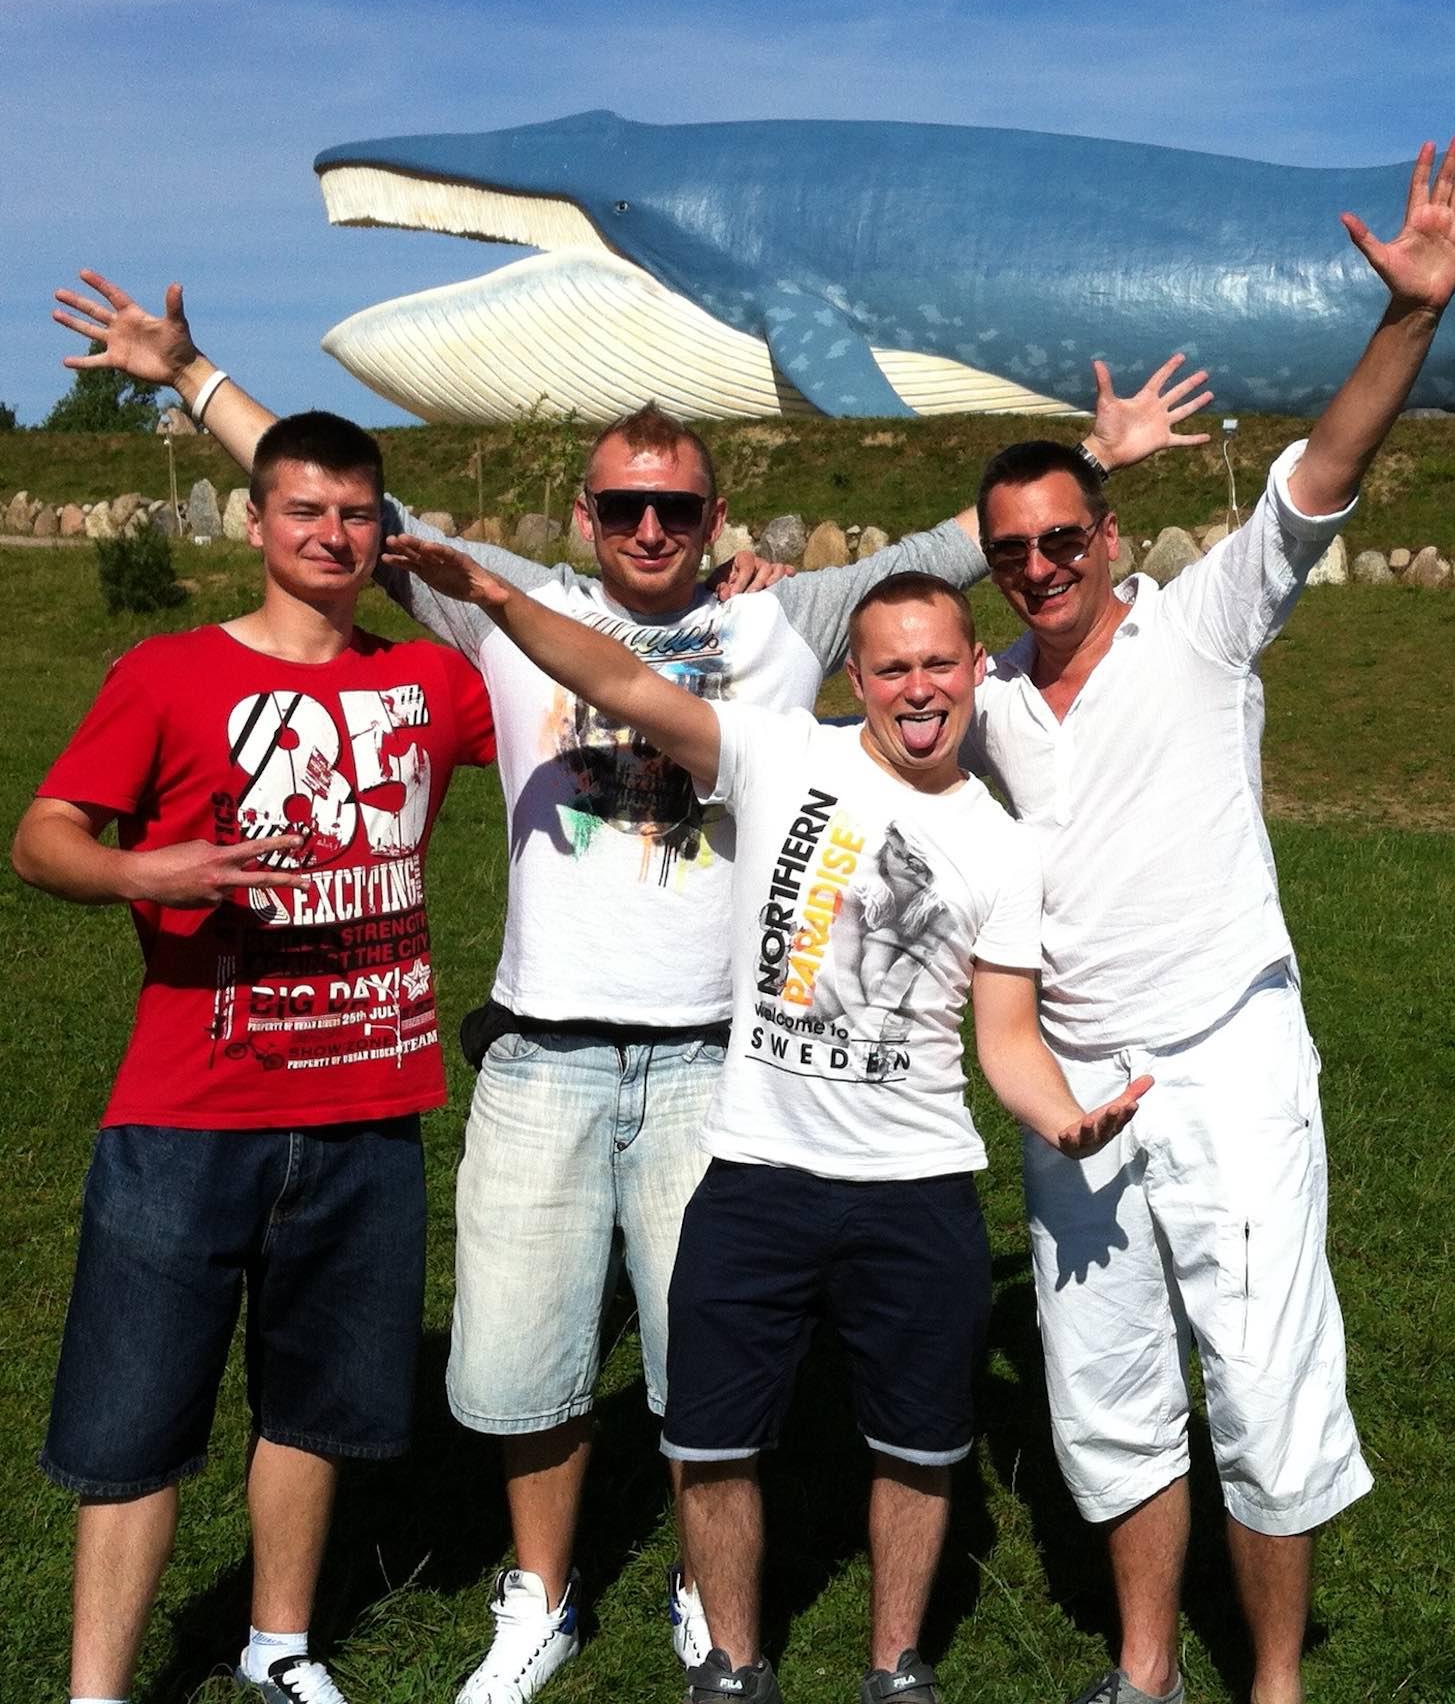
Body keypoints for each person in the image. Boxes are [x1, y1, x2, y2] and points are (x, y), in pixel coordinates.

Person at [51, 276, 1209, 1700]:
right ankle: (539, 1597)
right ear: (585, 513)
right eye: (622, 506)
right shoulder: (507, 601)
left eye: (675, 508)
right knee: (520, 1363)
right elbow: (338, 506)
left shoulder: (794, 617)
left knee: (701, 1370)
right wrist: (189, 373)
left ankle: (698, 1593)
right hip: (542, 1048)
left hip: (717, 1059)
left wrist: (1093, 461)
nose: (649, 529)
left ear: (716, 518)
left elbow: (951, 549)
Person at [373, 542, 1153, 1704]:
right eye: (892, 667)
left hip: (918, 1179)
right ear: (858, 676)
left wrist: (1064, 1116)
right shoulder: (783, 751)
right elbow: (621, 682)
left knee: (919, 1442)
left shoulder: (1003, 845)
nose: (919, 687)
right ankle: (732, 1664)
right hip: (755, 1166)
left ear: (973, 672)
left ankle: (896, 1665)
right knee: (711, 1434)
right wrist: (497, 598)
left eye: (940, 663)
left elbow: (1005, 1035)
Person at [965, 138, 1455, 1704]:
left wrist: (1409, 316)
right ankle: (1145, 1671)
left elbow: (1317, 475)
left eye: (1064, 538)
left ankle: (1272, 1682)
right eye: (1012, 552)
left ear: (1110, 538)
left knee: (1262, 1385)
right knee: (1108, 1393)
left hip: (1227, 1057)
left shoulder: (1202, 625)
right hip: (1071, 1083)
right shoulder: (983, 702)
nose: (1041, 567)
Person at [12, 412, 499, 1704]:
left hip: (369, 1109)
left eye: (356, 513)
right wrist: (145, 870)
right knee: (131, 1423)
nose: (331, 534)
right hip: (189, 1112)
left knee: (314, 1406)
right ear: (254, 521)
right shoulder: (169, 673)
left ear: (385, 531)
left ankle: (279, 1646)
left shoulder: (431, 682)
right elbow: (41, 836)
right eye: (304, 509)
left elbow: (574, 689)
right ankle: (97, 1690)